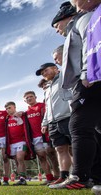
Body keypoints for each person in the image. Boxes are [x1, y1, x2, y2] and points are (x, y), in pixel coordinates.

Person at [52, 1, 101, 189]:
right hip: (88, 78)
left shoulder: (83, 19)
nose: (57, 30)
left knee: (78, 125)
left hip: (90, 78)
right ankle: (96, 177)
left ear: (66, 17)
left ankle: (80, 177)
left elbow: (93, 43)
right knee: (95, 129)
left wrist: (89, 72)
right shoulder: (78, 23)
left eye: (57, 25)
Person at [35, 63, 73, 186]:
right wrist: (45, 122)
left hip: (67, 117)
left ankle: (82, 174)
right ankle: (64, 176)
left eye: (46, 70)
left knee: (74, 148)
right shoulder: (47, 88)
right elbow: (47, 108)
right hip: (53, 122)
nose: (44, 74)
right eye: (42, 73)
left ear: (56, 69)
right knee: (60, 149)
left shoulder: (64, 77)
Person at [23, 91, 55, 185]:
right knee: (41, 158)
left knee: (53, 156)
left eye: (31, 96)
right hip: (35, 138)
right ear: (25, 100)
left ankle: (59, 176)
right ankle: (49, 178)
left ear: (35, 97)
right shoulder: (26, 112)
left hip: (46, 135)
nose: (29, 98)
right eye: (27, 97)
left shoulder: (42, 106)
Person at [5, 102, 35, 186]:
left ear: (14, 107)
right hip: (12, 144)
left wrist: (20, 113)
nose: (8, 110)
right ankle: (22, 178)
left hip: (22, 142)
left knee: (20, 158)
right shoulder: (7, 118)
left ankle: (22, 179)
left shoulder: (21, 115)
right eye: (6, 109)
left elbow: (25, 115)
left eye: (9, 108)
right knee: (16, 161)